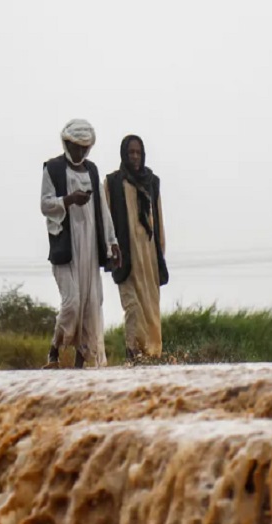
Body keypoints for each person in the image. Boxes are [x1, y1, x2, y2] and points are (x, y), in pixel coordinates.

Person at [40, 119, 120, 368]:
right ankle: (54, 350)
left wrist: (112, 241)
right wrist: (69, 200)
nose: (80, 152)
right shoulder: (52, 169)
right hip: (66, 248)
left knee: (90, 305)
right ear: (67, 144)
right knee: (72, 302)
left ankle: (80, 366)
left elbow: (103, 210)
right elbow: (45, 204)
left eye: (85, 148)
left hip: (90, 247)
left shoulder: (92, 171)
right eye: (76, 147)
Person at [105, 134, 168, 360]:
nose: (134, 156)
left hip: (149, 256)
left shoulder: (152, 182)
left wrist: (160, 252)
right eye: (131, 152)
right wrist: (109, 251)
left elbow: (158, 219)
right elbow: (107, 220)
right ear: (124, 154)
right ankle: (132, 352)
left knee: (151, 308)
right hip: (126, 256)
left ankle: (151, 355)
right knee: (132, 306)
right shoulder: (113, 182)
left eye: (138, 152)